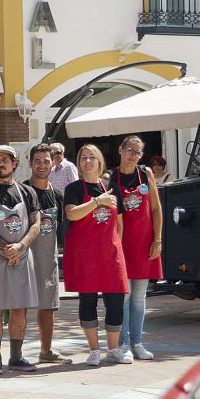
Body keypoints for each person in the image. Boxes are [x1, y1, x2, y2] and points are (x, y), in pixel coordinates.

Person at [0, 145, 41, 375]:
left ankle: (16, 356)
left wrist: (20, 247)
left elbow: (36, 223)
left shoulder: (27, 192)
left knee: (19, 309)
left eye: (5, 159)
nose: (0, 163)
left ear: (15, 164)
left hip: (22, 256)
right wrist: (6, 249)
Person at [63, 144, 132, 367]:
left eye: (92, 157)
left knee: (115, 302)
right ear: (78, 163)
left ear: (99, 161)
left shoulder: (112, 187)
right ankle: (94, 350)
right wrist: (97, 201)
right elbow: (72, 214)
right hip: (85, 255)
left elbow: (119, 223)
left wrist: (115, 247)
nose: (87, 161)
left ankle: (112, 350)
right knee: (88, 301)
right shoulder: (73, 189)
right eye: (83, 157)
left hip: (110, 254)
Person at [111, 136, 162, 360]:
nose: (133, 155)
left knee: (139, 297)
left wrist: (157, 240)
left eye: (138, 152)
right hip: (120, 244)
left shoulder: (146, 174)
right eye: (129, 150)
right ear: (120, 150)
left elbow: (156, 210)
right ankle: (123, 344)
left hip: (144, 243)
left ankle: (138, 343)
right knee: (123, 296)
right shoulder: (110, 177)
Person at [25, 144, 71, 364]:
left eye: (46, 161)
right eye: (37, 161)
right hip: (24, 257)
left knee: (48, 306)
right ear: (30, 163)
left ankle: (46, 351)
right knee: (19, 307)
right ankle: (16, 353)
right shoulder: (22, 191)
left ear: (53, 163)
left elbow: (61, 228)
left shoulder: (57, 195)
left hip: (47, 257)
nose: (42, 165)